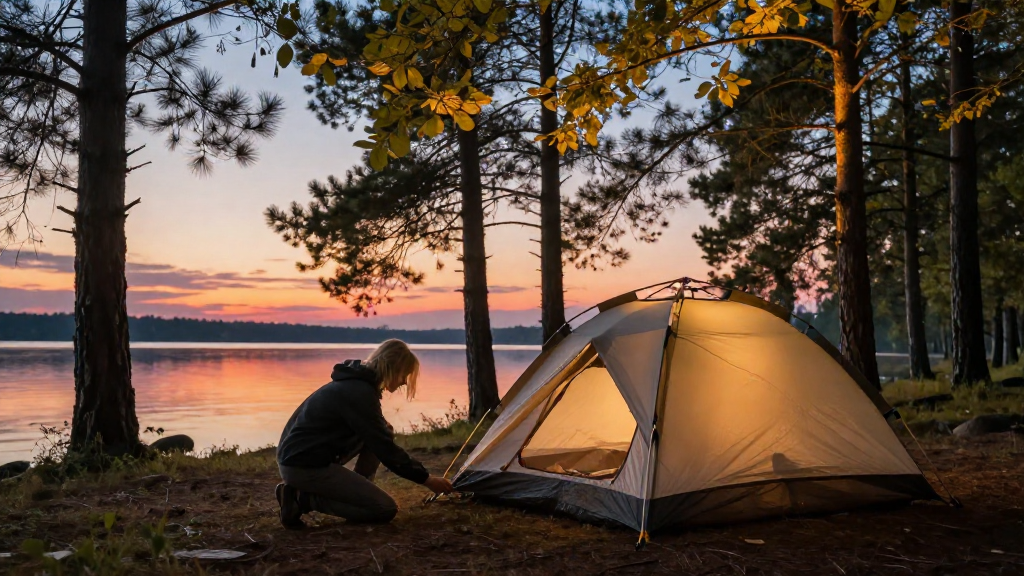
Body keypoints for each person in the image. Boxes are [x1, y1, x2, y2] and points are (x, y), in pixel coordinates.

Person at [275, 339, 453, 528]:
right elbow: (385, 448)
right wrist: (427, 479)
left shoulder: (356, 385)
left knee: (385, 428)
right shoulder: (358, 392)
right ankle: (301, 499)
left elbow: (378, 436)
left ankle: (361, 489)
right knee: (383, 509)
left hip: (302, 460)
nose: (403, 382)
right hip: (303, 466)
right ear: (393, 368)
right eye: (404, 375)